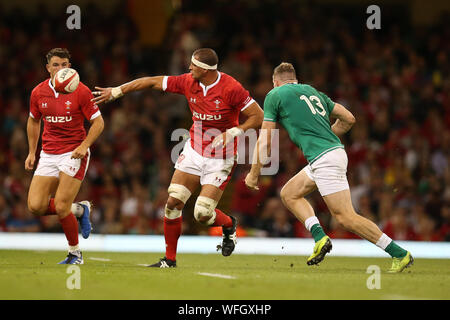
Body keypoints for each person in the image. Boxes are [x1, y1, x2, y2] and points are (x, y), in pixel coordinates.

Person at [92, 48, 263, 268]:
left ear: (204, 69)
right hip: (194, 150)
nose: (189, 67)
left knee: (202, 214)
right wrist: (117, 91)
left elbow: (257, 116)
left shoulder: (231, 88)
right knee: (172, 202)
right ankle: (169, 260)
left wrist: (234, 131)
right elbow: (152, 82)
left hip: (221, 157)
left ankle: (229, 225)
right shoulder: (187, 82)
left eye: (193, 64)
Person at [245, 62, 413, 273]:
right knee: (289, 193)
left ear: (276, 82)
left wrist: (253, 174)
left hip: (325, 158)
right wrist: (327, 135)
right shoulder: (314, 92)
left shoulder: (275, 94)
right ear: (295, 80)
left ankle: (399, 253)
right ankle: (320, 237)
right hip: (327, 156)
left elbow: (265, 140)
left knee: (345, 217)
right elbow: (349, 118)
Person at [26, 48, 104, 264]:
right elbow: (34, 120)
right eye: (56, 65)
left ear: (70, 66)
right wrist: (32, 151)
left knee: (60, 205)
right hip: (49, 153)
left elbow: (99, 123)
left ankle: (75, 253)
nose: (60, 69)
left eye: (64, 64)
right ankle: (80, 209)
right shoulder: (38, 92)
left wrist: (85, 145)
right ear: (48, 68)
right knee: (36, 205)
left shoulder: (81, 91)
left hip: (73, 153)